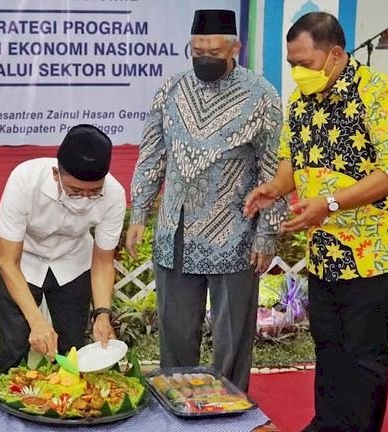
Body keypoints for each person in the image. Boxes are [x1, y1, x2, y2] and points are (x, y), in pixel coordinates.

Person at [244, 12, 388, 432]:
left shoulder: (382, 94)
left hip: (374, 249)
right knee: (329, 344)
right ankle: (328, 423)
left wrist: (331, 204)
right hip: (324, 248)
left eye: (304, 62)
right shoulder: (303, 101)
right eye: (291, 64)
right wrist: (275, 188)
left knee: (361, 350)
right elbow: (292, 159)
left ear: (336, 54)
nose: (297, 72)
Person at [127, 9, 285, 391]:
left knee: (232, 342)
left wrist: (267, 234)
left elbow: (274, 168)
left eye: (213, 52)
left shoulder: (262, 95)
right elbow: (152, 154)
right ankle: (177, 409)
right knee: (176, 339)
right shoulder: (170, 90)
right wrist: (138, 213)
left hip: (235, 234)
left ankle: (230, 414)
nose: (204, 59)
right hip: (175, 232)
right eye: (197, 51)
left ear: (235, 48)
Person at [0, 124, 126, 376]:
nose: (84, 200)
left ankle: (69, 407)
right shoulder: (24, 179)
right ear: (56, 174)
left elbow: (103, 263)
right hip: (23, 262)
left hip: (73, 262)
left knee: (73, 348)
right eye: (75, 191)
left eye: (94, 192)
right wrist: (36, 321)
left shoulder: (115, 195)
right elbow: (8, 262)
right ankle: (4, 405)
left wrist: (103, 314)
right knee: (14, 343)